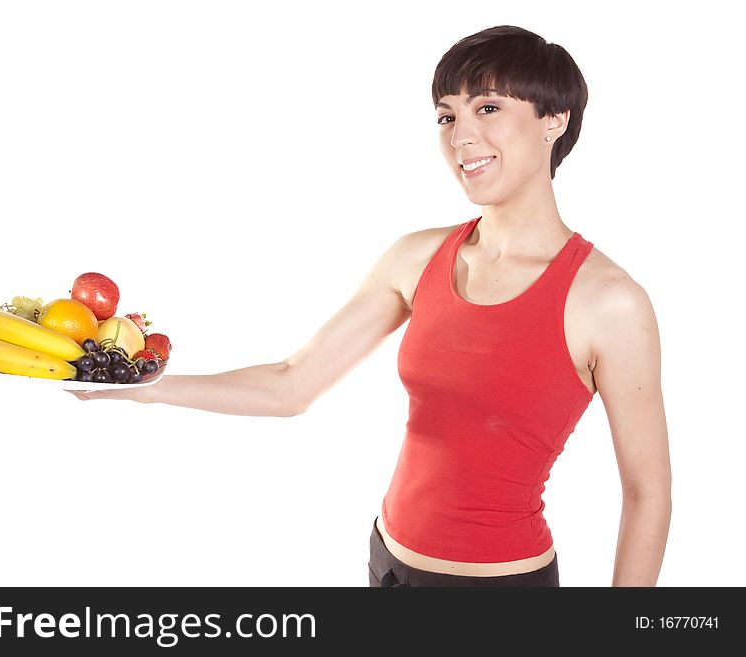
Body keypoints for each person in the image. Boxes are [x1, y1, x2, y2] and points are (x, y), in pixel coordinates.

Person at [68, 25, 672, 587]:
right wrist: (142, 387)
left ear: (554, 121)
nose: (460, 136)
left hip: (502, 591)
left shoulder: (608, 302)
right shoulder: (417, 258)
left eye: (487, 108)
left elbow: (647, 492)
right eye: (446, 115)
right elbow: (291, 385)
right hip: (387, 564)